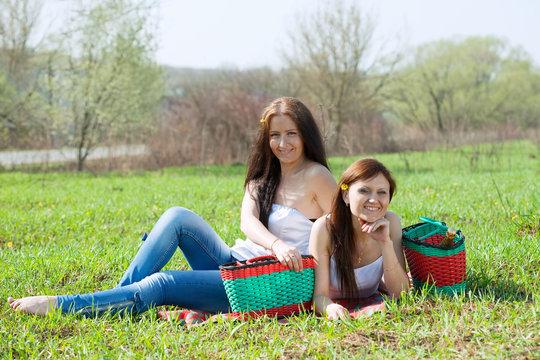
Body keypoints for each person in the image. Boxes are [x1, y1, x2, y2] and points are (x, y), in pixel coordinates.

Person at [8, 97, 337, 316]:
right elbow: (248, 222)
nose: (283, 143)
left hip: (262, 284)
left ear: (305, 135)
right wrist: (276, 243)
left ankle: (64, 306)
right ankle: (119, 297)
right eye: (275, 135)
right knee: (177, 217)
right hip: (236, 261)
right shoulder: (263, 175)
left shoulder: (317, 177)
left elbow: (342, 235)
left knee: (162, 284)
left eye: (291, 134)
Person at [309, 158, 410, 321]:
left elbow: (400, 293)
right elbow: (319, 297)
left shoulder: (391, 222)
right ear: (346, 195)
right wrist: (330, 307)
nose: (373, 199)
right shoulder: (324, 228)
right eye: (364, 190)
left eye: (382, 192)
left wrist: (386, 244)